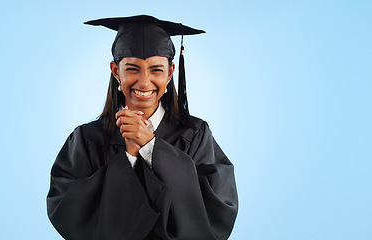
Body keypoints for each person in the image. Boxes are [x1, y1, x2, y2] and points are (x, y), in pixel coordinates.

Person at [47, 15, 238, 240]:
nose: (144, 82)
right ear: (116, 71)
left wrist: (151, 147)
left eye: (156, 70)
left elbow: (218, 209)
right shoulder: (87, 138)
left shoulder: (195, 135)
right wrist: (129, 156)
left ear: (170, 73)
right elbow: (66, 209)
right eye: (133, 69)